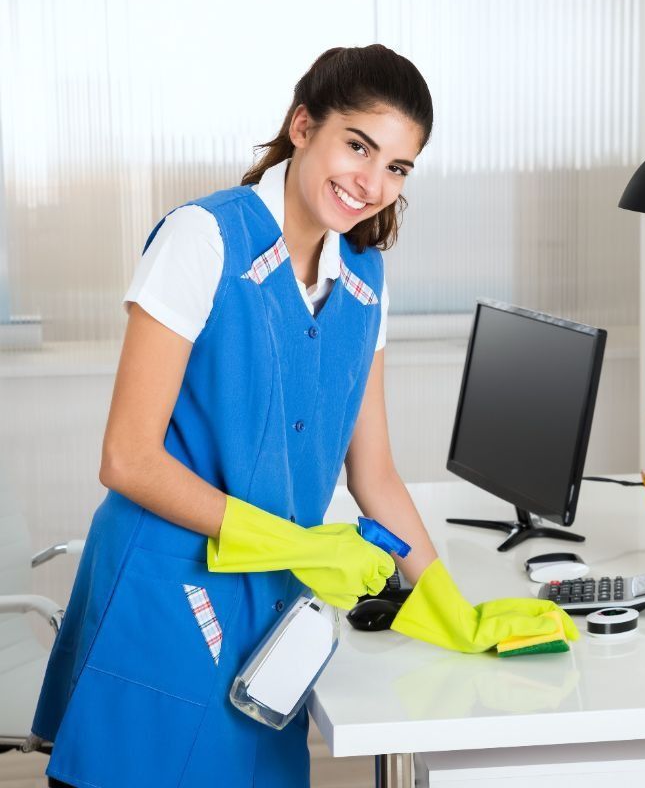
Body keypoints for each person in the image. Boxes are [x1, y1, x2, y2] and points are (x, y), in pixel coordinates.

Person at [31, 45, 577, 788]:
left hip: (271, 607)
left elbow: (373, 472)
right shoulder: (204, 239)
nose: (372, 182)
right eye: (358, 145)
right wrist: (298, 543)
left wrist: (452, 608)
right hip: (163, 591)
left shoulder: (363, 278)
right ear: (301, 127)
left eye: (397, 167)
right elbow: (127, 458)